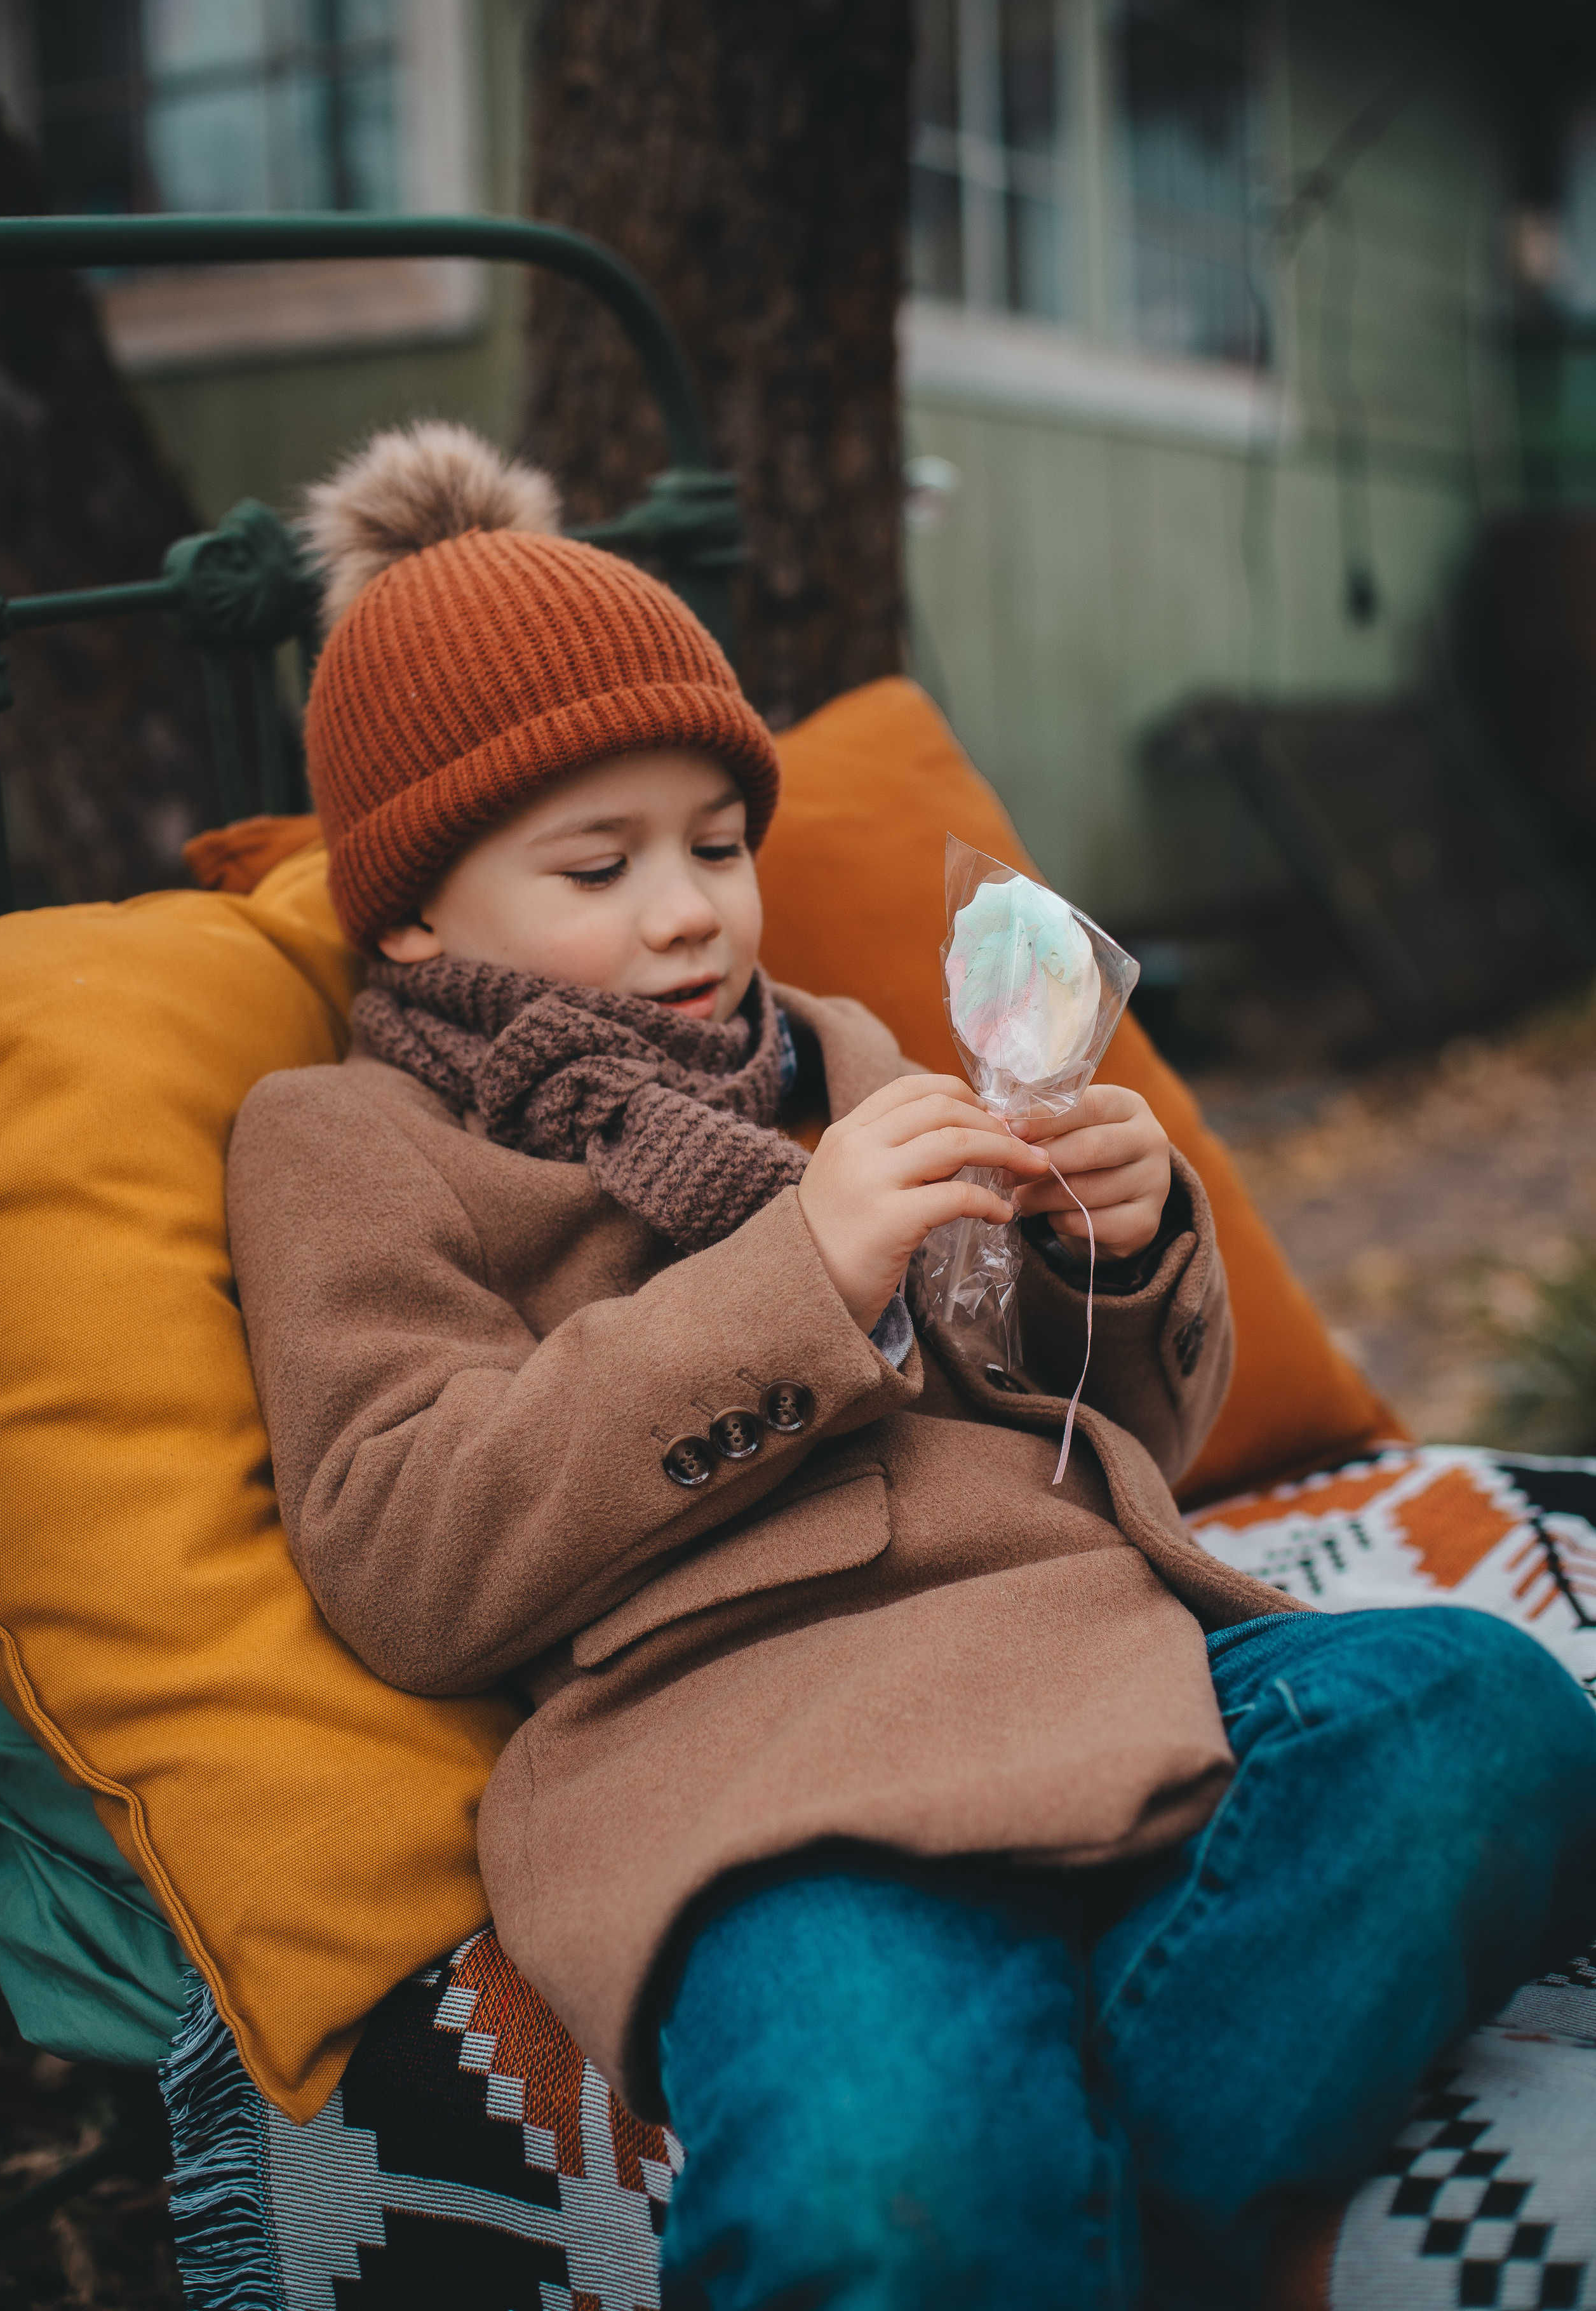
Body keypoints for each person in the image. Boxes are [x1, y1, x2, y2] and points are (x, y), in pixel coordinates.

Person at [226, 422, 1596, 2311]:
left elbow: (1104, 1435)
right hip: (762, 1777)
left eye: (718, 842)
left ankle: (1107, 2213)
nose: (692, 907)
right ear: (407, 907)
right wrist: (799, 1267)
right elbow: (404, 1552)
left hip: (1093, 1667)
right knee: (881, 2190)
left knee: (1480, 1711)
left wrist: (1111, 1250)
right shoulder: (345, 1139)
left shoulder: (847, 1046)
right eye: (599, 863)